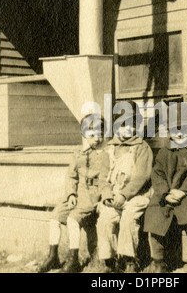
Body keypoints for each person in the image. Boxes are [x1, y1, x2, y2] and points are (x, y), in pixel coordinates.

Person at [37, 114, 110, 273]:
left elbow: (105, 181)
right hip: (77, 195)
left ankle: (73, 259)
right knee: (55, 217)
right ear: (84, 135)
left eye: (100, 134)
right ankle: (53, 257)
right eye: (92, 135)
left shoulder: (104, 155)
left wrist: (102, 199)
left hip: (92, 196)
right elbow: (71, 175)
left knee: (72, 219)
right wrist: (71, 194)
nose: (96, 139)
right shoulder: (78, 153)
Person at [143, 103, 187, 272]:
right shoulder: (164, 151)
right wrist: (165, 193)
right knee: (154, 216)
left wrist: (183, 191)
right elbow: (157, 174)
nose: (179, 133)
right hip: (166, 194)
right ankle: (159, 262)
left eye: (184, 129)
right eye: (175, 129)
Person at [96, 102, 153, 273]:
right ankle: (110, 261)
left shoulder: (142, 147)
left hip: (136, 195)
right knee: (105, 219)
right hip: (114, 195)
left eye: (131, 125)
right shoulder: (109, 149)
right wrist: (107, 195)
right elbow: (102, 177)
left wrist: (124, 195)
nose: (127, 129)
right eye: (122, 125)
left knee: (128, 218)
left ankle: (129, 260)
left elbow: (141, 176)